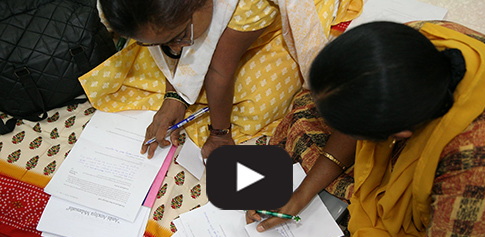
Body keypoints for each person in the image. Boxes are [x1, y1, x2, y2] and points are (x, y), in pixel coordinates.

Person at [248, 21, 485, 237]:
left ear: (399, 137)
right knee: (308, 110)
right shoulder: (417, 42)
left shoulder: (477, 167)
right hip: (422, 159)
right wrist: (300, 196)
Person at [80, 0, 362, 158]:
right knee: (142, 68)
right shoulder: (141, 12)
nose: (177, 49)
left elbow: (219, 69)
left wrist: (220, 134)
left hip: (264, 24)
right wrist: (174, 95)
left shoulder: (250, 4)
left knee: (256, 104)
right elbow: (170, 42)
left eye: (179, 37)